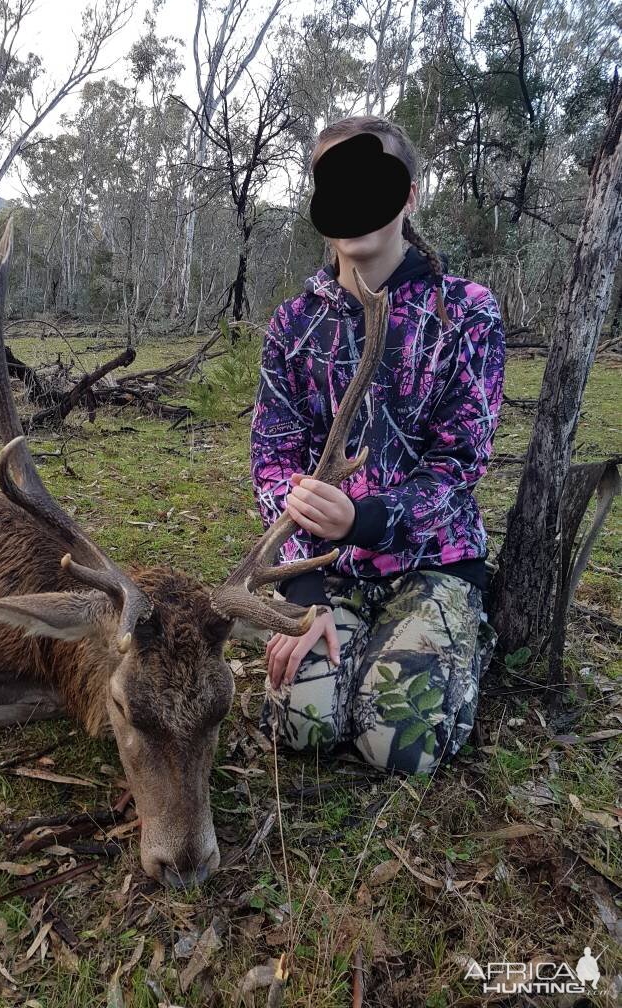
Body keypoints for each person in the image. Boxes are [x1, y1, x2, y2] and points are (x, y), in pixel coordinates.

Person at [250, 114, 506, 774]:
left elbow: (460, 464)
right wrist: (304, 598)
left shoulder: (466, 312)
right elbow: (274, 462)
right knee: (301, 723)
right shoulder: (294, 325)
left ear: (408, 196)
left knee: (397, 742)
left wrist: (367, 519)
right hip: (324, 571)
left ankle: (459, 634)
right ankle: (360, 648)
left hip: (432, 562)